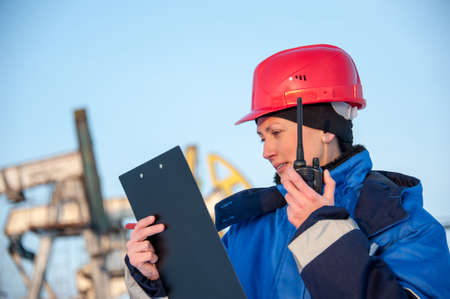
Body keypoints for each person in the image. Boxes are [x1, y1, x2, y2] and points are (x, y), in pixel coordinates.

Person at [124, 44, 450, 298]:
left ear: (326, 127)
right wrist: (155, 282)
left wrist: (325, 238)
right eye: (261, 137)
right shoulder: (245, 231)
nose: (265, 151)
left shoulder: (402, 223)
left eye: (276, 133)